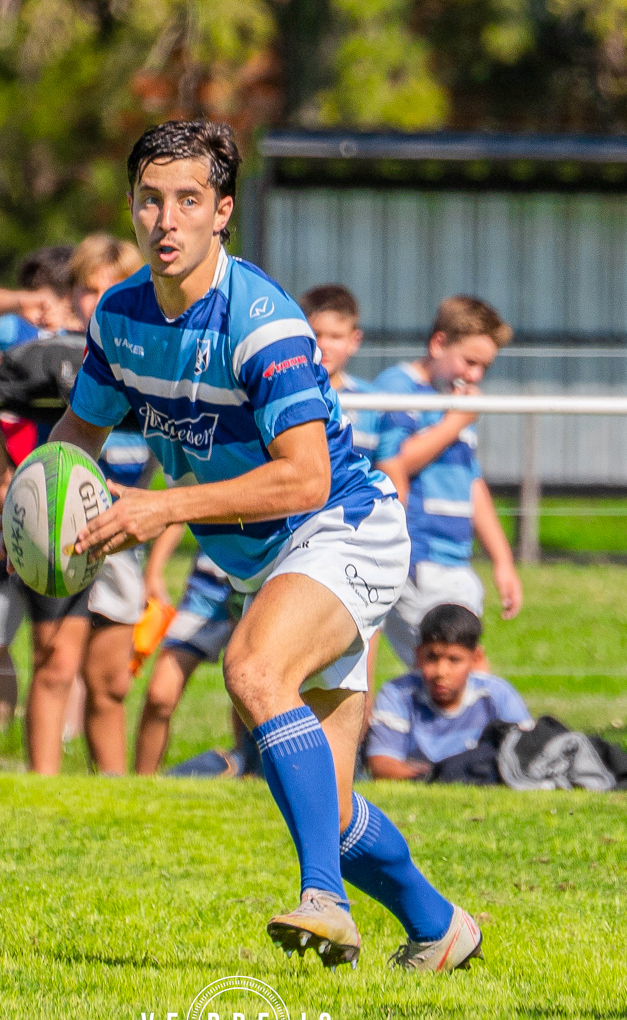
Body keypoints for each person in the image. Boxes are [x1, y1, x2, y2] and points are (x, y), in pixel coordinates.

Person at [52, 119, 481, 971]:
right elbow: (79, 435)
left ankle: (324, 901)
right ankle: (439, 928)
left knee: (250, 669)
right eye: (149, 200)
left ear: (223, 213)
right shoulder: (121, 315)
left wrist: (162, 507)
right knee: (329, 795)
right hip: (269, 558)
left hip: (345, 528)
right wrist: (37, 498)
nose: (165, 220)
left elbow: (305, 479)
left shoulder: (263, 323)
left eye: (187, 201)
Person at [0, 236, 155, 775]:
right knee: (54, 664)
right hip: (59, 528)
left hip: (124, 528)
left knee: (111, 682)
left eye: (111, 290)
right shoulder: (44, 349)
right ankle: (44, 786)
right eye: (86, 289)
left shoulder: (150, 351)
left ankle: (114, 788)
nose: (96, 301)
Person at [372, 296, 523, 670]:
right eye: (469, 362)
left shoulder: (454, 401)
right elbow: (397, 461)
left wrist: (503, 561)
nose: (474, 376)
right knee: (462, 674)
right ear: (438, 344)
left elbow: (471, 481)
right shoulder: (399, 387)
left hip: (456, 561)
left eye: (483, 367)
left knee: (459, 678)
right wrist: (454, 422)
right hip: (418, 557)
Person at [134, 522, 252, 776]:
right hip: (207, 589)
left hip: (259, 582)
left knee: (251, 696)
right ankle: (140, 785)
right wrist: (153, 571)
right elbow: (181, 499)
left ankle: (251, 775)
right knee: (159, 694)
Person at [366, 605, 534, 782]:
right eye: (432, 657)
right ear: (418, 655)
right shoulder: (398, 694)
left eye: (454, 660)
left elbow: (529, 752)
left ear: (476, 658)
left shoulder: (497, 694)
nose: (441, 672)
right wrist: (443, 775)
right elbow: (381, 764)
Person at [302, 284, 378, 459]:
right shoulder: (283, 393)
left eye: (335, 337)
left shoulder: (375, 402)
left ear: (355, 340)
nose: (323, 346)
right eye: (316, 334)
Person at [0, 246, 76, 351]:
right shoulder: (23, 329)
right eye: (33, 293)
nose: (44, 310)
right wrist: (20, 302)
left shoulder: (91, 329)